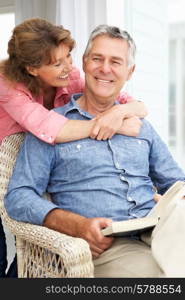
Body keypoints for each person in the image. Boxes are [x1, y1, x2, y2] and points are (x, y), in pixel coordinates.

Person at [5, 24, 183, 278]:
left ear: (129, 72)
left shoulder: (139, 126)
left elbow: (176, 181)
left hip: (162, 229)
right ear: (85, 62)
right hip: (109, 245)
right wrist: (76, 225)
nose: (105, 69)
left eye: (116, 62)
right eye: (97, 58)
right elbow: (19, 197)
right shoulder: (53, 126)